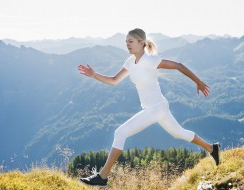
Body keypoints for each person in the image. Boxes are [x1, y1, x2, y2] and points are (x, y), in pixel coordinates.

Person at [78, 28, 220, 187]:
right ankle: (212, 148)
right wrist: (94, 74)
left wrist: (198, 82)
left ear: (141, 42)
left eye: (130, 41)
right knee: (180, 133)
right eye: (126, 41)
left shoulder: (150, 60)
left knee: (120, 133)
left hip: (157, 108)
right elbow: (113, 81)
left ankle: (102, 176)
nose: (127, 44)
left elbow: (178, 65)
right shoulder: (130, 62)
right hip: (156, 108)